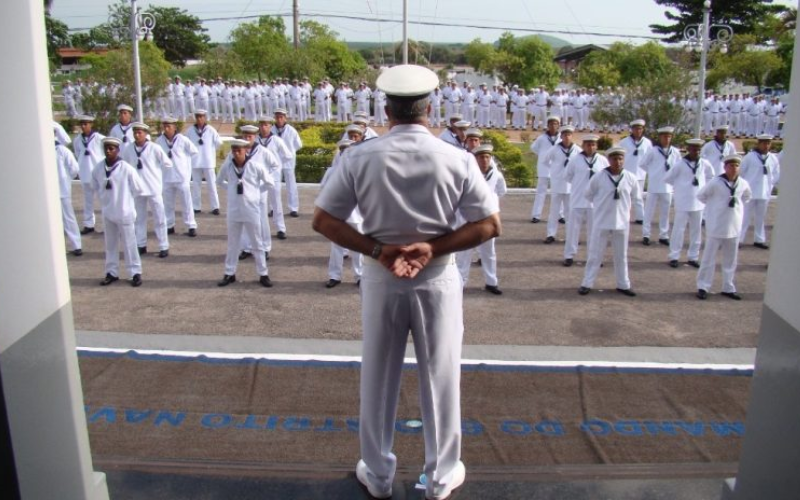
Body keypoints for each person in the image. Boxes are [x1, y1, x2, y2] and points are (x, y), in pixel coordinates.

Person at [312, 64, 500, 500]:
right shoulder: (457, 158)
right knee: (441, 377)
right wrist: (432, 248)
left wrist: (379, 251)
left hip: (382, 277)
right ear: (429, 107)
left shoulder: (360, 156)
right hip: (436, 278)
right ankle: (439, 477)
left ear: (386, 108)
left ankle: (378, 476)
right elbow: (490, 225)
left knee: (378, 376)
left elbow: (323, 220)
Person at [578, 147, 640, 297]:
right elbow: (588, 194)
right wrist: (602, 206)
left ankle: (623, 284)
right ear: (609, 160)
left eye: (620, 159)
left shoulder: (630, 177)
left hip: (622, 222)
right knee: (595, 254)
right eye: (614, 159)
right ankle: (587, 283)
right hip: (602, 221)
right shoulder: (599, 177)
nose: (617, 162)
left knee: (621, 255)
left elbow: (636, 197)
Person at [216, 139, 275, 288]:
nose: (236, 153)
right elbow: (219, 181)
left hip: (251, 209)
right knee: (233, 243)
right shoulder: (228, 167)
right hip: (234, 210)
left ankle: (263, 273)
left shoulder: (255, 167)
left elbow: (270, 183)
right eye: (234, 150)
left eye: (239, 151)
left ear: (246, 151)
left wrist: (255, 193)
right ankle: (229, 273)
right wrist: (230, 190)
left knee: (257, 242)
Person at [696, 155, 753, 300]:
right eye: (731, 166)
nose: (733, 169)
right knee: (709, 258)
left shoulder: (743, 183)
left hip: (734, 226)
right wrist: (714, 207)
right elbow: (701, 196)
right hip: (716, 225)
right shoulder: (715, 182)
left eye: (736, 166)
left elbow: (747, 197)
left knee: (730, 259)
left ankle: (728, 286)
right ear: (725, 167)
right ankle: (703, 286)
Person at [455, 144, 507, 294]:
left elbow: (502, 190)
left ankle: (491, 282)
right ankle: (461, 281)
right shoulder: (469, 173)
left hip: (488, 217)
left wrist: (491, 201)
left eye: (487, 157)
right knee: (465, 252)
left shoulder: (496, 175)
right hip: (469, 217)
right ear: (475, 159)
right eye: (481, 157)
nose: (484, 160)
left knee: (488, 252)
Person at [92, 137, 144, 287]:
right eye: (106, 148)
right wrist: (104, 198)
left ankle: (134, 272)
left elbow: (138, 188)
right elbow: (94, 184)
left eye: (111, 148)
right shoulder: (99, 168)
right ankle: (111, 272)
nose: (108, 151)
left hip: (124, 211)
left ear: (118, 150)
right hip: (108, 212)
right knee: (110, 244)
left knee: (129, 244)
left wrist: (126, 199)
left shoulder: (126, 168)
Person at [121, 122, 173, 258]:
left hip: (153, 187)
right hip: (138, 189)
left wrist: (156, 173)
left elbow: (167, 163)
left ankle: (163, 245)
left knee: (159, 217)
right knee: (139, 218)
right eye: (135, 133)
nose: (137, 135)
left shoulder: (154, 148)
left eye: (140, 132)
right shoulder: (128, 149)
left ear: (145, 134)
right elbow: (125, 165)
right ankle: (141, 244)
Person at [320, 139, 364, 288]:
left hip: (357, 215)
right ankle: (334, 276)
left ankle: (359, 276)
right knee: (336, 248)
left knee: (358, 249)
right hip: (338, 215)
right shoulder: (332, 171)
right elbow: (323, 192)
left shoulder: (361, 171)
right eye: (343, 151)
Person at [665, 138, 715, 268]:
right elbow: (668, 178)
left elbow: (711, 176)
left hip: (698, 202)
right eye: (693, 149)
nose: (696, 151)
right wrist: (680, 188)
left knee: (696, 230)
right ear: (688, 149)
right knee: (678, 230)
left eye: (698, 149)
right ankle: (674, 256)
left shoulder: (704, 163)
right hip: (683, 201)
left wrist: (703, 188)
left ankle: (693, 256)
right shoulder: (680, 164)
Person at [563, 135, 607, 266]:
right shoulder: (575, 160)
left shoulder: (603, 160)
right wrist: (580, 185)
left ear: (597, 146)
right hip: (578, 199)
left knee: (594, 231)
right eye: (588, 144)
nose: (590, 147)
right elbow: (568, 176)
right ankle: (569, 255)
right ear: (583, 146)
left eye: (593, 144)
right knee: (573, 229)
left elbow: (605, 178)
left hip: (595, 202)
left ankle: (594, 256)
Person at [156, 117, 199, 237]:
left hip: (181, 177)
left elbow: (194, 152)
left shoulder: (182, 139)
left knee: (186, 202)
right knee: (168, 203)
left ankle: (191, 225)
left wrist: (186, 167)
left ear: (174, 127)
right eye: (165, 126)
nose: (167, 128)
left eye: (169, 126)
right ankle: (169, 225)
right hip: (167, 177)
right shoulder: (159, 141)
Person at [639, 126, 681, 246]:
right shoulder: (653, 150)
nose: (666, 139)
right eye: (664, 136)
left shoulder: (675, 151)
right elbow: (642, 164)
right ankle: (646, 234)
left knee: (665, 212)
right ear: (660, 137)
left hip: (667, 187)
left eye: (669, 136)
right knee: (649, 211)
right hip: (654, 185)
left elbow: (678, 167)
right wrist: (652, 172)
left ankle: (664, 234)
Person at [739, 134, 779, 249]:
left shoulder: (772, 158)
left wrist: (770, 185)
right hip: (750, 191)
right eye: (763, 143)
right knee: (744, 217)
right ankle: (739, 239)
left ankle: (759, 239)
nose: (766, 146)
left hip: (764, 191)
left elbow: (776, 174)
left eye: (768, 143)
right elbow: (741, 172)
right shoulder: (750, 157)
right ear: (759, 143)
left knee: (760, 218)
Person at [542, 125, 579, 244]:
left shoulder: (577, 150)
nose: (567, 137)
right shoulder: (555, 149)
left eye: (569, 135)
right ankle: (551, 234)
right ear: (561, 136)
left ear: (572, 136)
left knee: (570, 212)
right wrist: (554, 170)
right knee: (554, 211)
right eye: (564, 135)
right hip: (557, 183)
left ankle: (571, 235)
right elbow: (545, 161)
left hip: (571, 185)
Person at [71, 115, 106, 235]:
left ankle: (106, 224)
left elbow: (106, 154)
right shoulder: (77, 140)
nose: (83, 126)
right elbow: (77, 153)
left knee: (103, 199)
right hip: (85, 173)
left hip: (98, 173)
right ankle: (88, 224)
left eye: (86, 124)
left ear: (91, 124)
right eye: (82, 124)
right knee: (88, 200)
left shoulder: (100, 138)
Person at [186, 109, 223, 215]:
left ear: (205, 117)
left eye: (201, 117)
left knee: (212, 184)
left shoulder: (211, 130)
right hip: (195, 161)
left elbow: (219, 143)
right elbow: (187, 144)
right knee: (196, 185)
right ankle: (196, 206)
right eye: (197, 117)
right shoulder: (190, 130)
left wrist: (211, 151)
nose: (199, 119)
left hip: (208, 161)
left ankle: (215, 206)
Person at [616, 119, 652, 223]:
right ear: (632, 129)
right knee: (624, 196)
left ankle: (640, 217)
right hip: (627, 172)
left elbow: (649, 157)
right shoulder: (624, 142)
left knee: (638, 197)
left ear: (643, 129)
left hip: (640, 173)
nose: (638, 131)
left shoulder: (647, 142)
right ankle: (623, 216)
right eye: (636, 129)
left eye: (640, 129)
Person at [529, 116, 562, 223]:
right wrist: (543, 155)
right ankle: (536, 215)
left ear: (558, 125)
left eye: (555, 124)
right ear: (547, 125)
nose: (553, 126)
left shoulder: (561, 138)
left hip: (557, 168)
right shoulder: (542, 138)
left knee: (558, 192)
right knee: (541, 192)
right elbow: (533, 148)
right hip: (544, 168)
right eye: (551, 124)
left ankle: (560, 215)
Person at [273, 108, 303, 217]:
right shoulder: (271, 130)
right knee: (274, 185)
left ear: (285, 118)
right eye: (277, 117)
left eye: (281, 117)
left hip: (288, 161)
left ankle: (293, 208)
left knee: (291, 185)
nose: (279, 119)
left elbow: (298, 145)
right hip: (275, 161)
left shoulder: (291, 130)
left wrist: (290, 152)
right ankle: (273, 208)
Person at [55, 138, 82, 256]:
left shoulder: (62, 150)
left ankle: (76, 245)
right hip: (48, 192)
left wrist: (65, 179)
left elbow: (74, 168)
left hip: (62, 190)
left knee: (68, 217)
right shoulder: (42, 151)